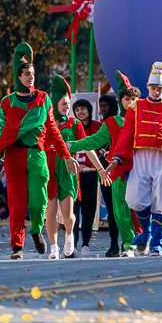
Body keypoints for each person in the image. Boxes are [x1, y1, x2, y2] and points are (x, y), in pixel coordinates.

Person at [0, 43, 78, 259]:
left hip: (37, 154)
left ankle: (36, 229)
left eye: (33, 74)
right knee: (17, 204)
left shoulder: (44, 99)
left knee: (39, 202)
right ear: (18, 76)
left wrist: (65, 156)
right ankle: (17, 247)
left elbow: (53, 131)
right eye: (27, 74)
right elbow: (2, 134)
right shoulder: (6, 103)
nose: (31, 77)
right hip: (14, 155)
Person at [106, 61, 162, 257]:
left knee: (161, 201)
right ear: (147, 87)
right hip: (139, 157)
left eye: (159, 88)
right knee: (134, 199)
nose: (156, 91)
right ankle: (147, 232)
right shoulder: (136, 107)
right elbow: (126, 135)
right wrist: (116, 158)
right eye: (153, 88)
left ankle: (157, 245)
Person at [67, 72, 140, 257]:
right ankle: (128, 245)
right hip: (119, 171)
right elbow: (94, 141)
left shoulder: (143, 120)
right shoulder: (112, 122)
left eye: (133, 99)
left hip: (143, 169)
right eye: (126, 99)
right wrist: (72, 145)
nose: (130, 102)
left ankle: (149, 239)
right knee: (121, 210)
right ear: (121, 101)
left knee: (143, 207)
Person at [45, 76, 107, 259]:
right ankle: (54, 248)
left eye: (67, 103)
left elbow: (88, 147)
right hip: (49, 168)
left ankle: (70, 235)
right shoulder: (45, 123)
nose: (66, 107)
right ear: (55, 103)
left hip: (67, 170)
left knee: (67, 213)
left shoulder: (75, 124)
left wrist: (100, 169)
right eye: (63, 103)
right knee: (50, 210)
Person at [70, 96, 104, 258]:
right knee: (73, 210)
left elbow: (101, 147)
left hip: (91, 175)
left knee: (89, 211)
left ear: (89, 110)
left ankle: (85, 243)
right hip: (75, 175)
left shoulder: (98, 127)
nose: (80, 112)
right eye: (77, 110)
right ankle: (73, 243)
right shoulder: (71, 127)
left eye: (83, 109)